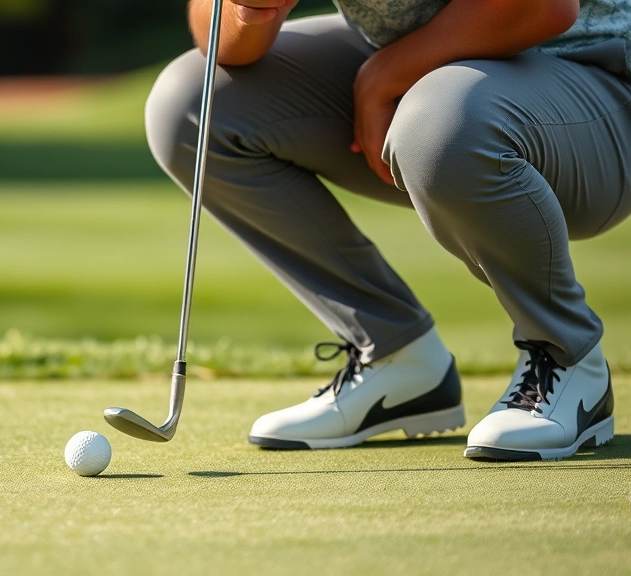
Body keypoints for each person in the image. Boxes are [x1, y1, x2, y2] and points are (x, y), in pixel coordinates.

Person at [145, 0, 627, 460]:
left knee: (437, 118)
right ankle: (398, 359)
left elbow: (541, 8)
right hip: (424, 75)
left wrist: (382, 79)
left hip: (594, 85)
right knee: (190, 105)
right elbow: (222, 43)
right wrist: (247, 12)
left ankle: (567, 355)